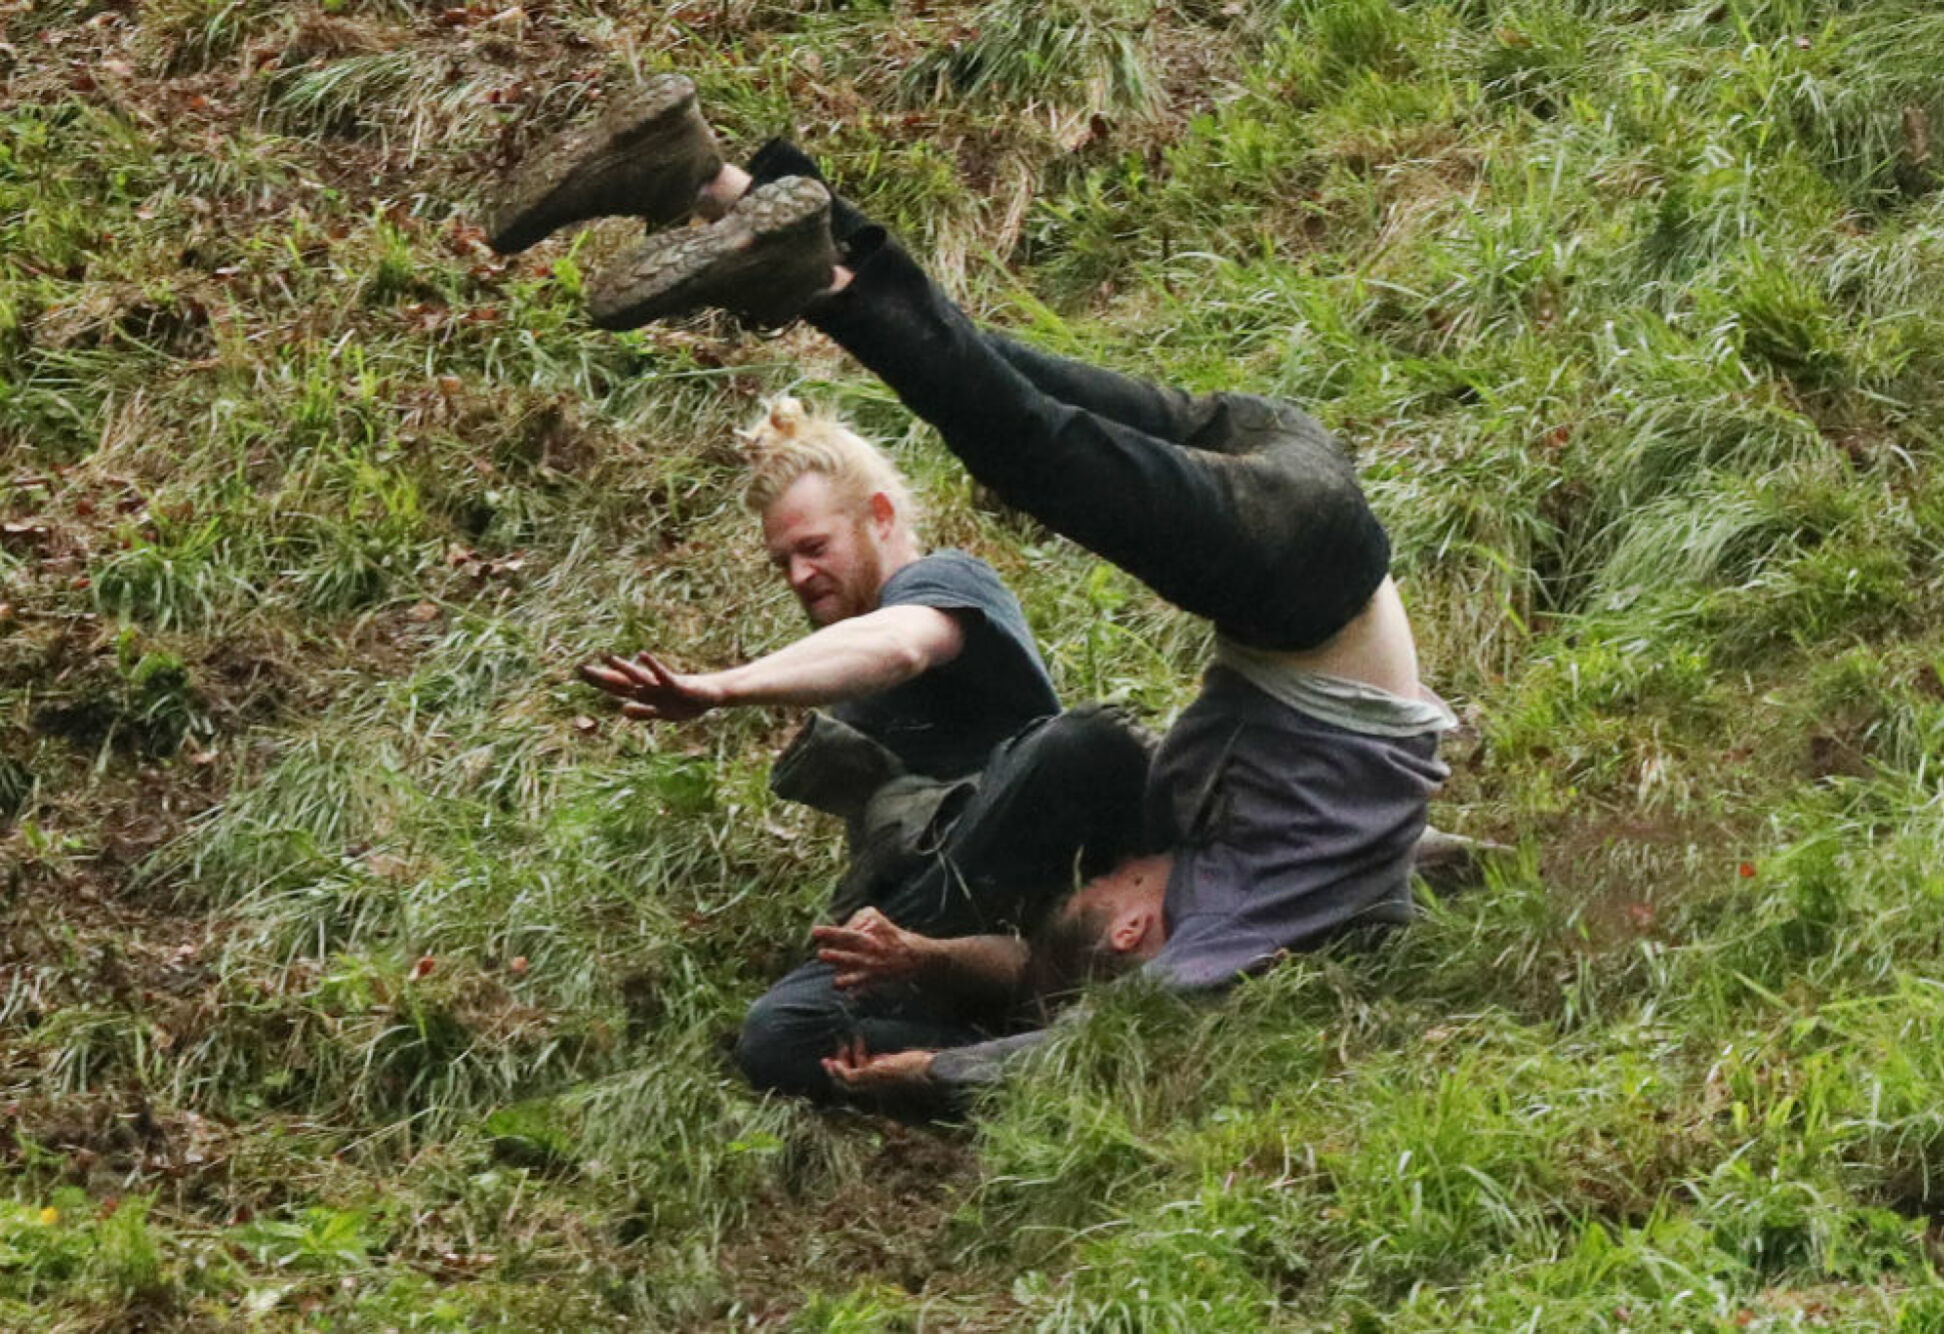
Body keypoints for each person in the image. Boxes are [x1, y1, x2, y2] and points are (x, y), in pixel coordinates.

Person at [500, 75, 1461, 1108]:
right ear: (1136, 924)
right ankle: (807, 271)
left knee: (999, 383)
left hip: (1281, 473)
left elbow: (1064, 1012)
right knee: (1022, 441)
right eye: (1101, 886)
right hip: (1297, 569)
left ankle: (700, 173)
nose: (1102, 868)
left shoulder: (1264, 902)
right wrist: (939, 1070)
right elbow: (1087, 1041)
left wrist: (928, 1020)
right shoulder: (1232, 922)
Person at [575, 392, 1153, 1104]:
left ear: (879, 517)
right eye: (781, 561)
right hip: (943, 921)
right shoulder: (843, 667)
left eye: (814, 549)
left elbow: (903, 645)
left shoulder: (941, 582)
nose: (797, 576)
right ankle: (1011, 1059)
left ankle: (1024, 1028)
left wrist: (721, 689)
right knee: (779, 1035)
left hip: (1032, 858)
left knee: (1083, 743)